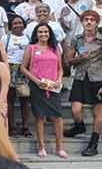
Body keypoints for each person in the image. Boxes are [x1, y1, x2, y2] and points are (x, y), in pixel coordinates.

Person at [21, 23, 66, 158]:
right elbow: (23, 68)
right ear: (36, 34)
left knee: (57, 117)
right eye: (40, 32)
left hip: (53, 87)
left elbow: (60, 68)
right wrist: (36, 81)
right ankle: (41, 146)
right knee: (40, 117)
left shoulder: (55, 48)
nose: (43, 34)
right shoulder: (31, 48)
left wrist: (58, 80)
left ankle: (60, 148)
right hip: (37, 86)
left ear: (50, 33)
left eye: (46, 32)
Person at [64, 10, 102, 156]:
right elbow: (68, 61)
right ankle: (79, 126)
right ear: (82, 22)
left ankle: (93, 145)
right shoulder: (77, 39)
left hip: (98, 79)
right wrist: (80, 58)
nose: (89, 22)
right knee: (75, 109)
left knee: (98, 113)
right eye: (86, 19)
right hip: (80, 78)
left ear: (96, 22)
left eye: (92, 19)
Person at [3, 15, 33, 137]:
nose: (18, 25)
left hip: (24, 69)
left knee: (24, 98)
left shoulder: (28, 38)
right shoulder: (6, 37)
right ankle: (12, 126)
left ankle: (25, 126)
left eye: (20, 23)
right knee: (10, 98)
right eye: (15, 23)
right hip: (9, 68)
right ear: (11, 26)